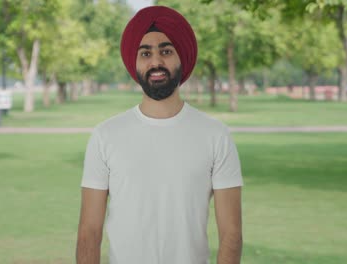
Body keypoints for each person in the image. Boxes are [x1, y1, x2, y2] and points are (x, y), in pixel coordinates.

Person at [76, 6, 243, 264]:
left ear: (181, 58)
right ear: (135, 62)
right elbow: (89, 233)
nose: (156, 62)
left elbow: (231, 235)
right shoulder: (105, 136)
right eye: (145, 53)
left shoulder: (216, 136)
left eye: (166, 51)